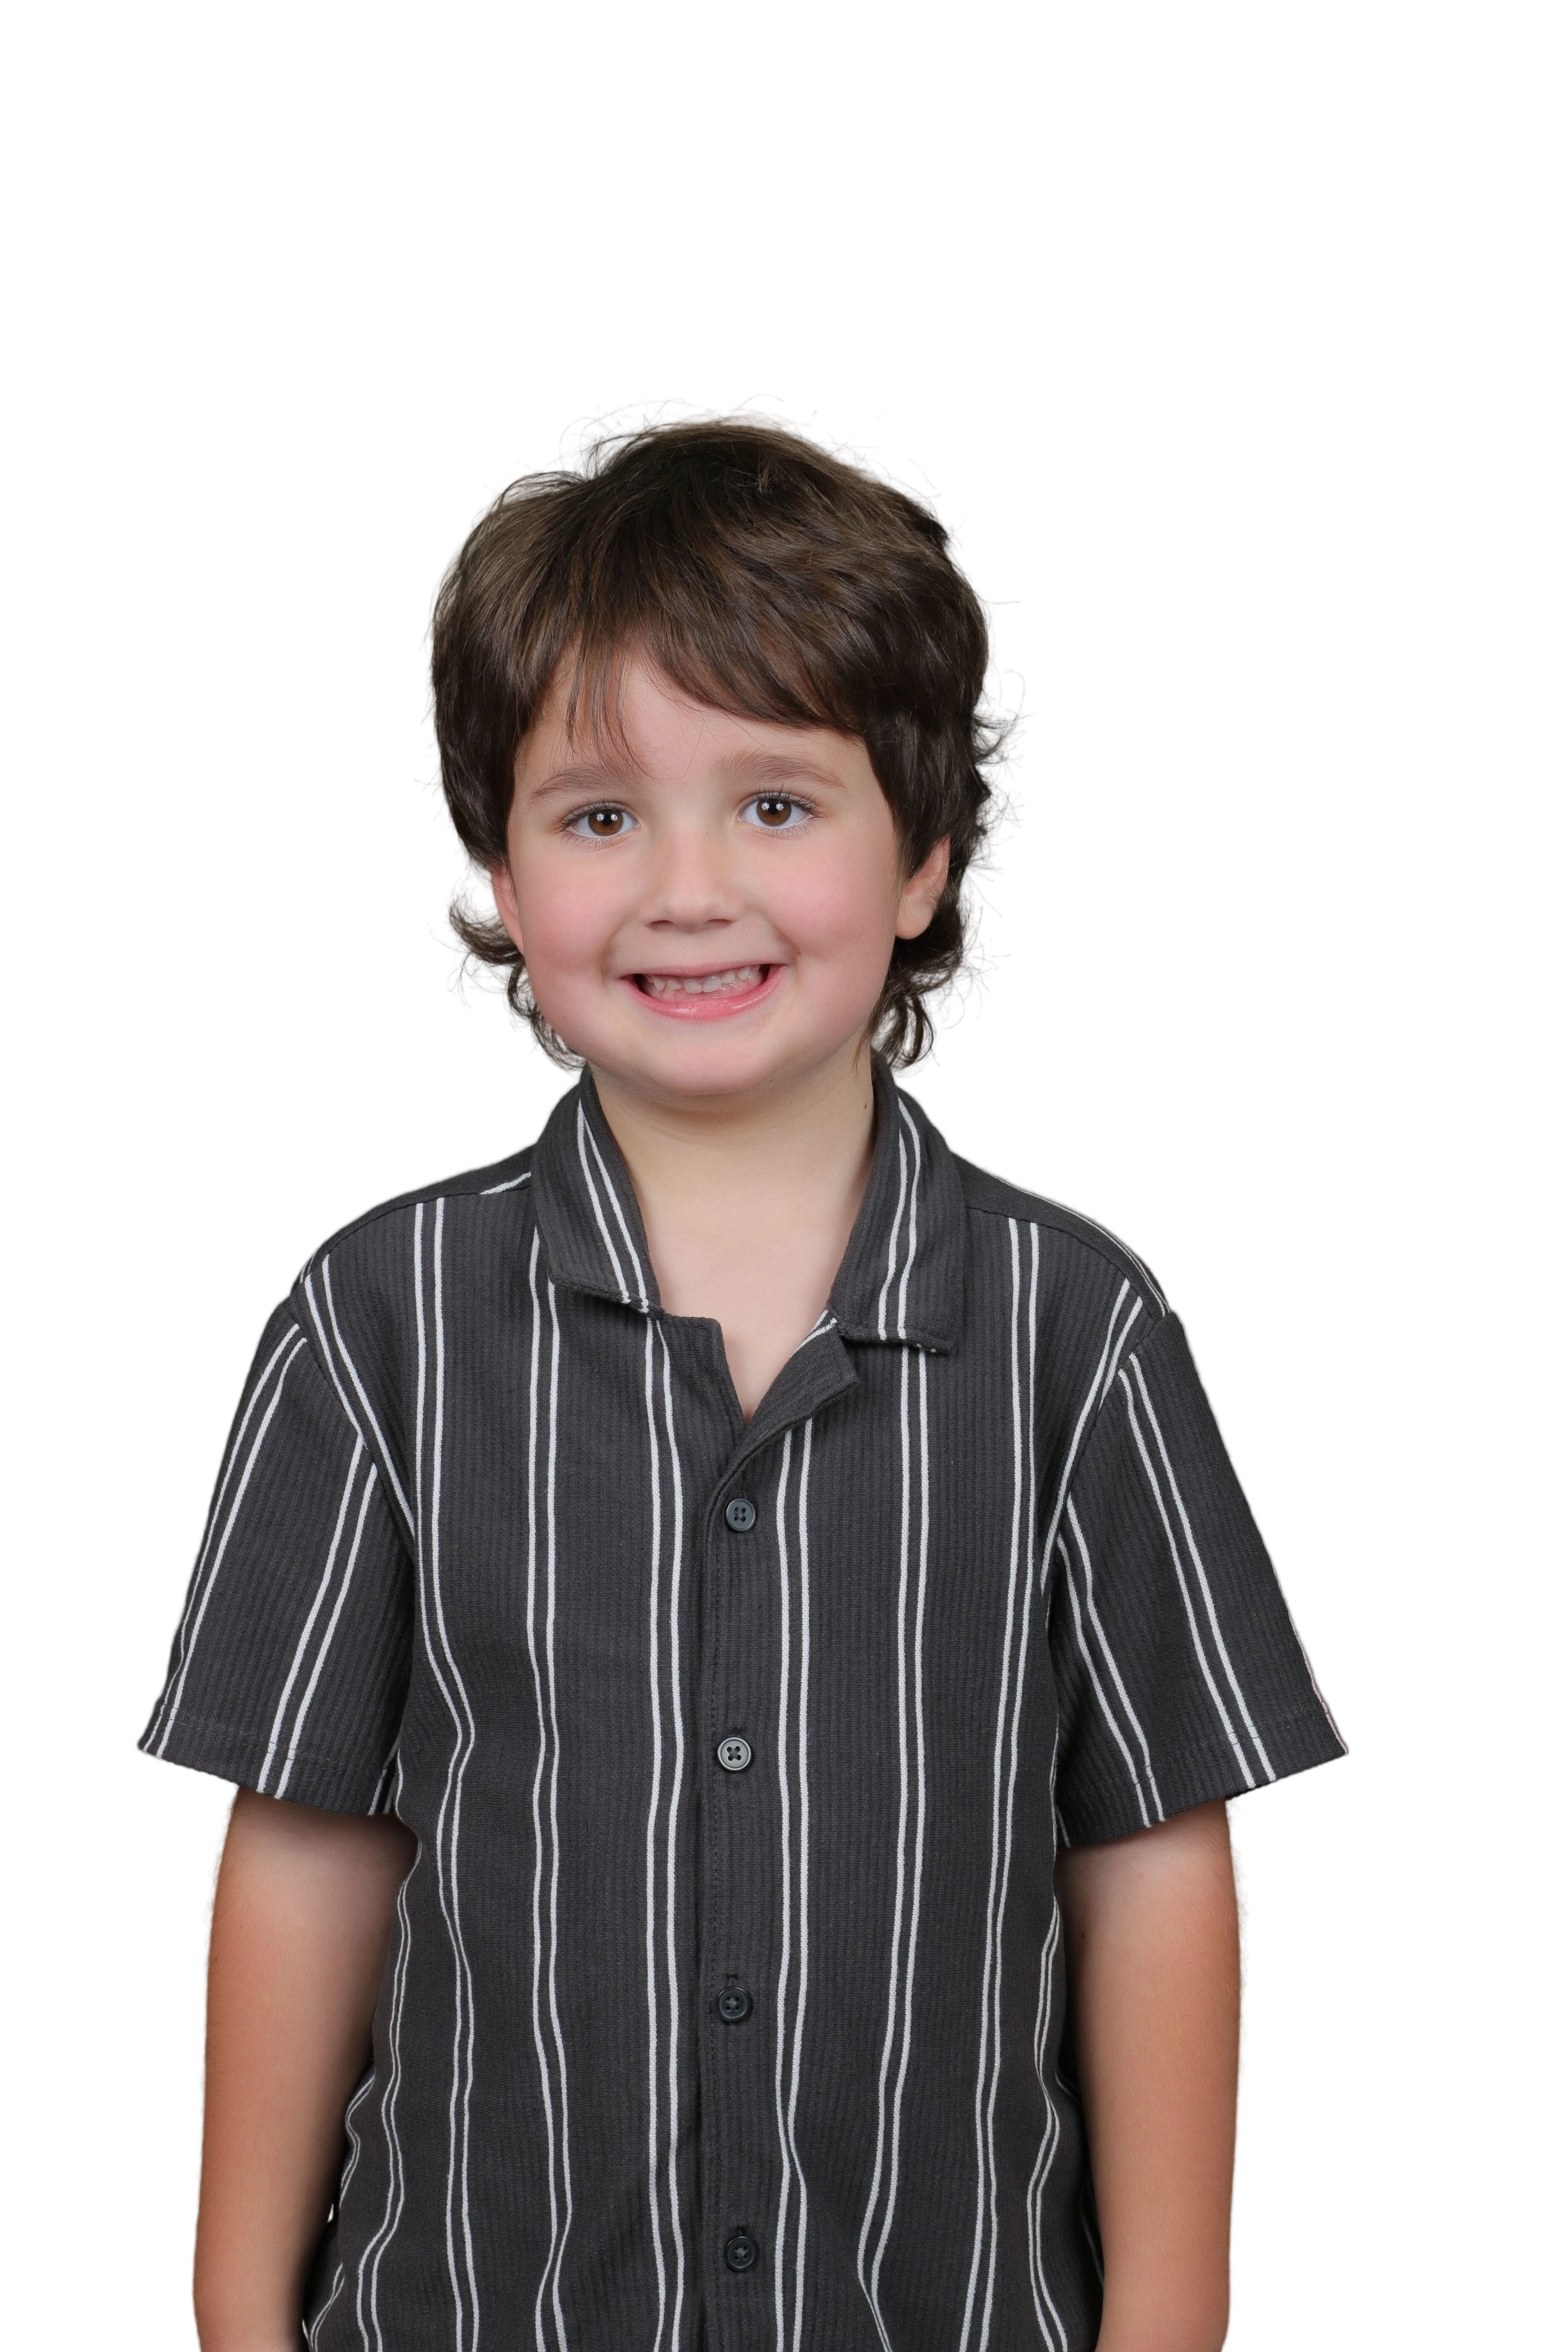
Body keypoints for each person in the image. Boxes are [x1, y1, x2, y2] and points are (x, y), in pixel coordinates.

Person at [136, 394, 1348, 2352]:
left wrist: (1172, 2326)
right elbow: (304, 1839)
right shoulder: (375, 1326)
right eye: (600, 814)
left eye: (775, 804)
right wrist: (233, 2317)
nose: (686, 888)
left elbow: (1152, 1850)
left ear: (924, 854)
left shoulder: (1081, 1332)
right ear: (503, 879)